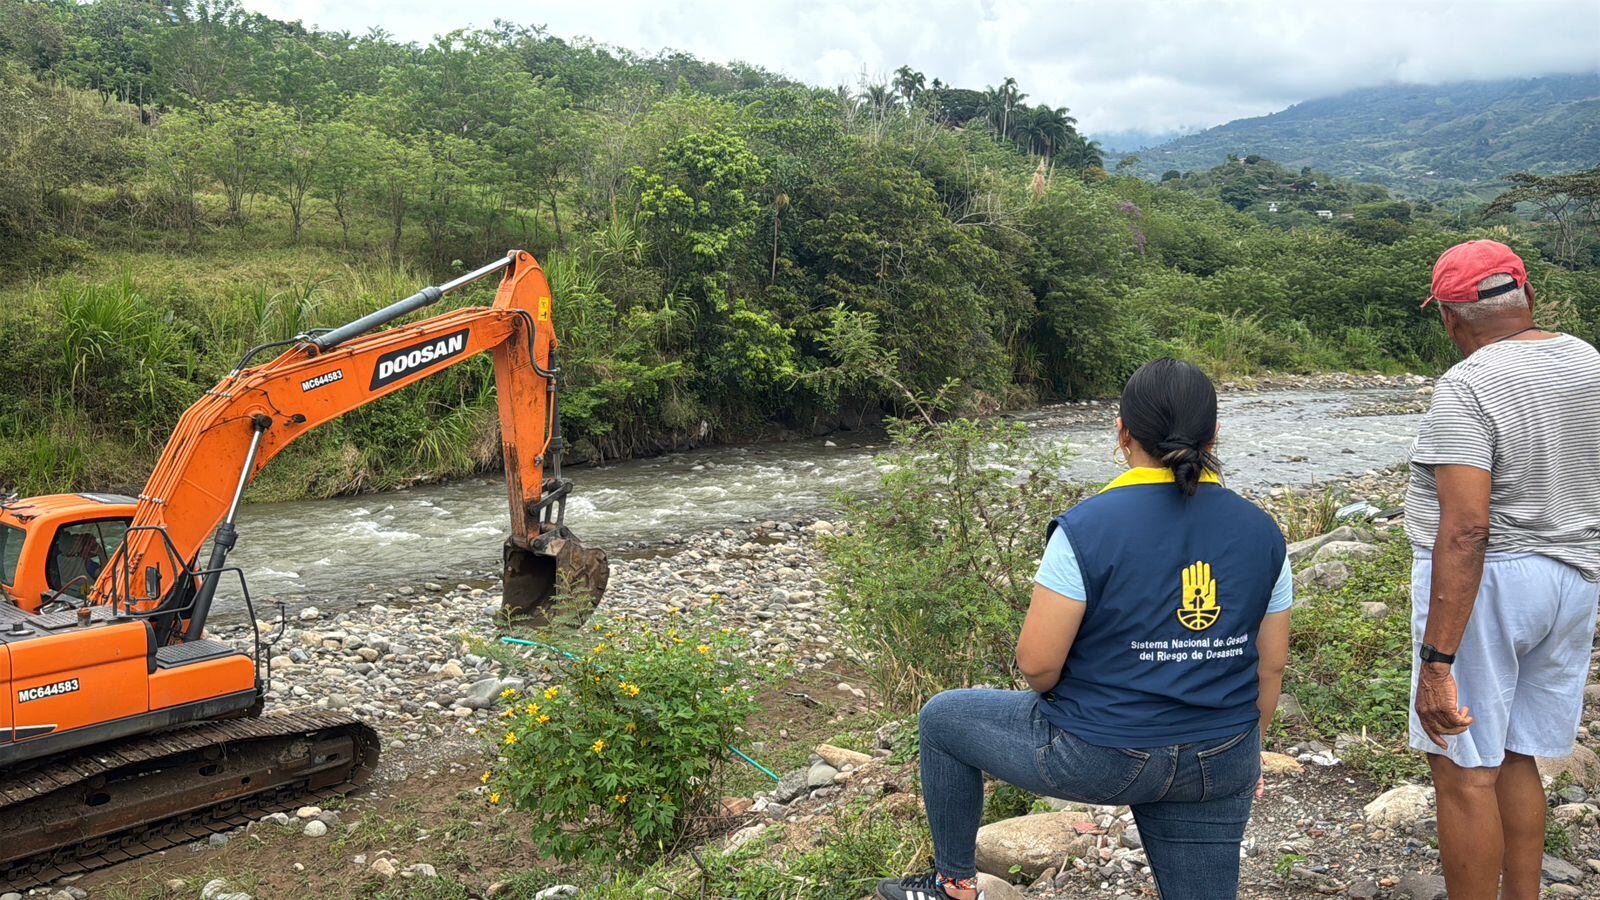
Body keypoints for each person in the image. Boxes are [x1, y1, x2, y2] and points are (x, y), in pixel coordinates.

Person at [878, 358, 1293, 900]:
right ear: (1215, 434)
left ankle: (953, 884)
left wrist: (1079, 706)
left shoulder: (1087, 527)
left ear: (1122, 433)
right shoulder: (1263, 531)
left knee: (942, 719)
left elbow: (1036, 664)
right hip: (1221, 755)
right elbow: (1272, 663)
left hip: (1103, 752)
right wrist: (1245, 751)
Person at [1406, 239, 1600, 900]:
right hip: (1574, 582)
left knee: (1463, 769)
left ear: (1450, 321)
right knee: (1518, 756)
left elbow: (1465, 529)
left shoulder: (1468, 384)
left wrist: (1436, 663)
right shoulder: (1589, 363)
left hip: (1492, 589)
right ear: (1530, 298)